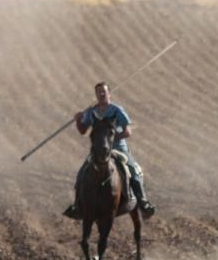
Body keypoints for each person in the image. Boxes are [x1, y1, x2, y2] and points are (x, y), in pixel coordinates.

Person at [64, 82, 156, 219]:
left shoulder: (117, 111)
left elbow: (127, 132)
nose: (101, 94)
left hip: (118, 149)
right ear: (96, 95)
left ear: (109, 94)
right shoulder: (92, 111)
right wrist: (78, 120)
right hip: (98, 152)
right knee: (82, 173)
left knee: (133, 170)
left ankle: (143, 202)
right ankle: (77, 206)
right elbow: (83, 130)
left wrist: (110, 140)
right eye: (99, 92)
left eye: (104, 92)